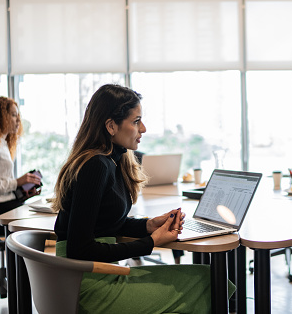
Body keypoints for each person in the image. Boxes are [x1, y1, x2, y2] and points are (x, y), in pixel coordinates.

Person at [51, 84, 232, 313]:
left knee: (211, 279)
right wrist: (151, 242)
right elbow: (80, 249)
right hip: (88, 286)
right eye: (136, 121)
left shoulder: (110, 161)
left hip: (94, 276)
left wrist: (148, 225)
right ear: (111, 126)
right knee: (211, 282)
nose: (143, 128)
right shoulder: (96, 166)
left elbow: (104, 224)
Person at [0, 96, 42, 236]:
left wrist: (21, 191)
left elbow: (2, 182)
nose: (18, 120)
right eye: (13, 115)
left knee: (38, 216)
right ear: (0, 117)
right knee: (36, 226)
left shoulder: (3, 144)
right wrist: (16, 182)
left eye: (18, 115)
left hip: (6, 204)